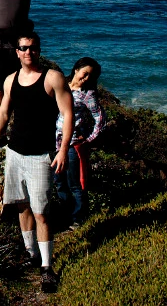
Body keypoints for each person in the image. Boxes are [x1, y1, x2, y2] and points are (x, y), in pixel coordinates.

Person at [0, 32, 73, 294]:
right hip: (14, 153)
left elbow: (68, 114)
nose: (28, 53)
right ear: (17, 52)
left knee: (41, 212)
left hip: (40, 156)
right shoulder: (11, 80)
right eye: (23, 48)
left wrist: (63, 149)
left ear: (39, 49)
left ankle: (47, 268)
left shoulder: (52, 78)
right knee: (21, 207)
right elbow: (3, 113)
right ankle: (30, 253)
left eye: (33, 48)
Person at [52, 57, 105, 230]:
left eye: (91, 76)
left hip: (73, 144)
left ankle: (78, 218)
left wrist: (88, 138)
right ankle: (65, 215)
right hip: (55, 142)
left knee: (74, 182)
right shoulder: (62, 85)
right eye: (85, 73)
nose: (87, 78)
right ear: (76, 69)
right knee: (58, 180)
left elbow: (101, 119)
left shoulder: (88, 95)